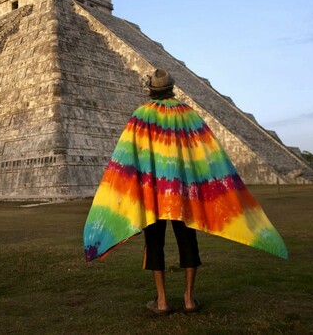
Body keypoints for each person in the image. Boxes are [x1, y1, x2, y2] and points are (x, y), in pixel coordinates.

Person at [83, 68, 287, 316]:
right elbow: (208, 152)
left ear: (150, 90)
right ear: (172, 88)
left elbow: (126, 157)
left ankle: (162, 301)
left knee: (154, 244)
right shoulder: (188, 115)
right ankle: (189, 299)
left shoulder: (141, 116)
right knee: (188, 243)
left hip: (153, 194)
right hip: (184, 194)